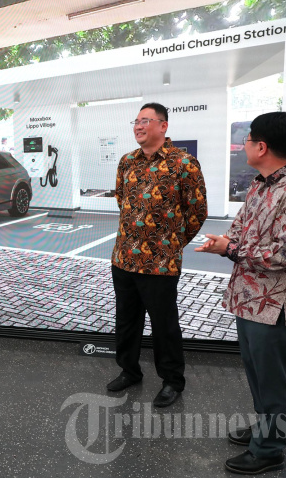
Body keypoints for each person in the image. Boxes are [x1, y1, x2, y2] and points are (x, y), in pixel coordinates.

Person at [196, 112, 286, 475]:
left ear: (262, 147)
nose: (245, 145)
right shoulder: (261, 184)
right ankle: (265, 429)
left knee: (273, 384)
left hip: (277, 308)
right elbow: (241, 227)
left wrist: (230, 249)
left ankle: (269, 450)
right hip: (251, 302)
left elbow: (283, 255)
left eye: (248, 139)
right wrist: (226, 241)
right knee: (258, 376)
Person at [107, 102, 208, 408]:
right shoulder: (127, 162)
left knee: (164, 325)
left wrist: (172, 243)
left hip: (161, 264)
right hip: (124, 258)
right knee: (126, 320)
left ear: (163, 126)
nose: (139, 126)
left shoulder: (184, 163)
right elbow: (122, 200)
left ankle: (172, 381)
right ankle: (129, 370)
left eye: (146, 121)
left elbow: (197, 211)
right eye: (136, 121)